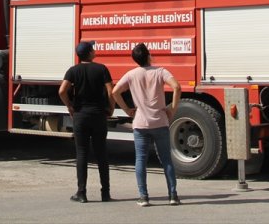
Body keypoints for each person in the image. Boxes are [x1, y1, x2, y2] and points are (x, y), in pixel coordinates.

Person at [111, 43, 181, 207]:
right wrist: (172, 109)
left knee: (140, 160)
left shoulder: (131, 74)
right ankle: (173, 195)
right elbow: (177, 87)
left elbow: (115, 92)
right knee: (166, 160)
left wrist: (127, 110)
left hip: (140, 124)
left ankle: (143, 196)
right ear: (149, 56)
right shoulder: (160, 71)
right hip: (160, 121)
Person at [59, 40, 114, 203]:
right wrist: (111, 108)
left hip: (80, 116)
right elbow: (110, 91)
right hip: (98, 115)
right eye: (92, 49)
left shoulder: (73, 71)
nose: (94, 51)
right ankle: (105, 193)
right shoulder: (102, 69)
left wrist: (70, 106)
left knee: (82, 153)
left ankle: (81, 193)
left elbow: (62, 91)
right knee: (101, 153)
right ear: (90, 53)